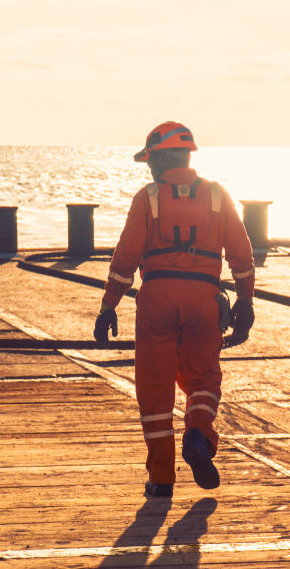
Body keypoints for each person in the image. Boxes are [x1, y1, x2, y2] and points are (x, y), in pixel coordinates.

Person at [93, 121, 255, 498]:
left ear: (164, 157)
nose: (148, 168)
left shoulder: (147, 198)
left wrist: (108, 305)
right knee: (202, 379)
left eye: (150, 160)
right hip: (205, 299)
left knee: (155, 388)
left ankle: (162, 477)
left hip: (157, 300)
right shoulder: (218, 195)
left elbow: (125, 258)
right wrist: (246, 300)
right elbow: (242, 254)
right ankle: (198, 432)